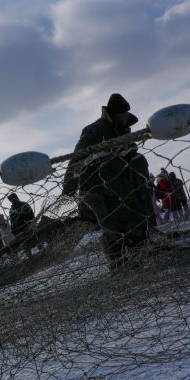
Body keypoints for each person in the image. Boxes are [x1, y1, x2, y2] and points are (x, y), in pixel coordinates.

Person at [62, 93, 153, 270]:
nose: (127, 117)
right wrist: (69, 184)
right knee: (112, 227)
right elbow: (77, 157)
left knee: (134, 221)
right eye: (124, 114)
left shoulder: (124, 132)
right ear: (115, 115)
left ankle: (138, 259)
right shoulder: (94, 130)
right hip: (99, 188)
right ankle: (117, 265)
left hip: (124, 187)